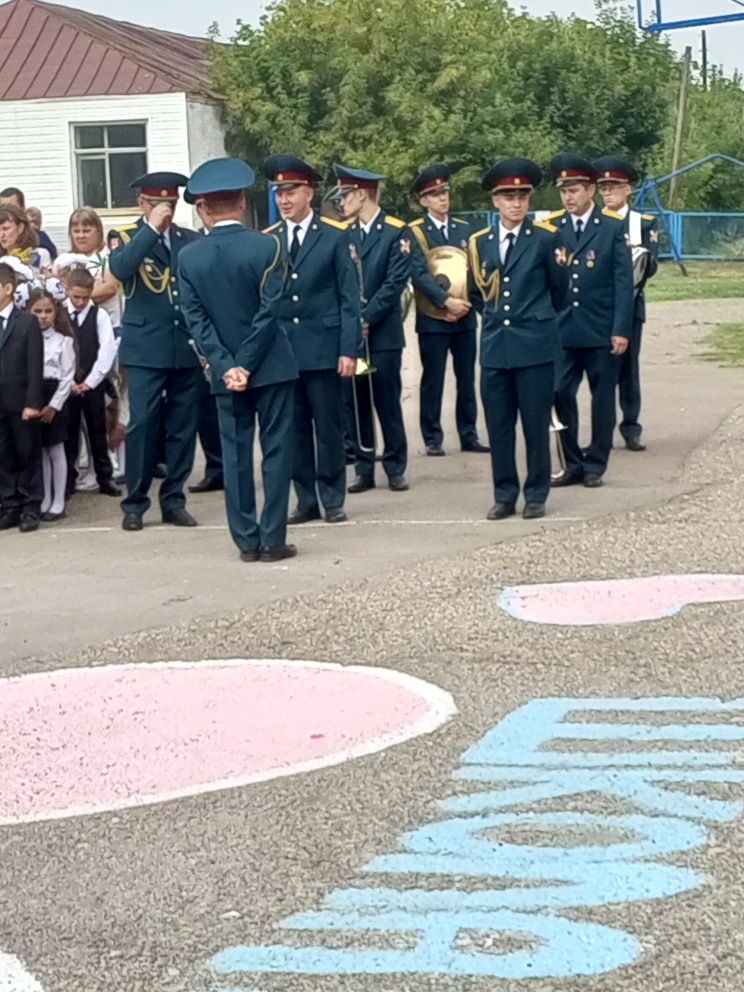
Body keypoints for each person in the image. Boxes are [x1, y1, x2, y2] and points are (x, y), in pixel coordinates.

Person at [179, 158, 299, 562]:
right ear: (243, 201)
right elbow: (270, 311)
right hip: (271, 365)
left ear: (204, 208)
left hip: (224, 372)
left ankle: (246, 539)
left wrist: (227, 364)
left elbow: (196, 320)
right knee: (276, 451)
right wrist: (246, 363)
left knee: (234, 455)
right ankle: (273, 538)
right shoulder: (269, 246)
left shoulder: (189, 258)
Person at [262, 154, 363, 525]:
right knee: (294, 429)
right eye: (279, 193)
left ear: (308, 193)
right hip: (284, 351)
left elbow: (349, 298)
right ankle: (305, 500)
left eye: (290, 192)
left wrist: (349, 349)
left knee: (329, 428)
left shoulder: (335, 236)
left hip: (323, 347)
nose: (284, 200)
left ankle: (332, 498)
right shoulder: (269, 240)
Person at [470, 159, 569, 521]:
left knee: (534, 425)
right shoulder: (480, 242)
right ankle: (505, 494)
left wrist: (534, 318)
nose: (516, 203)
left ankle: (536, 493)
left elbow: (559, 291)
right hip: (496, 347)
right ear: (495, 201)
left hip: (534, 346)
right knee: (499, 428)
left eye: (522, 196)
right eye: (508, 197)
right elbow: (476, 292)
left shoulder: (546, 238)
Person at [108, 172, 202, 531]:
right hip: (145, 348)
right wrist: (150, 229)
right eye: (157, 203)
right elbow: (120, 269)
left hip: (183, 345)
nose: (166, 210)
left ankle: (174, 499)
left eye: (171, 204)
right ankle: (135, 503)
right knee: (143, 425)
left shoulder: (188, 239)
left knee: (182, 428)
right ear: (142, 204)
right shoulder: (126, 237)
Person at [548, 154, 634, 489]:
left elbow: (623, 283)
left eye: (574, 190)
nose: (568, 197)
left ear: (591, 190)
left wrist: (621, 329)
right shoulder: (553, 227)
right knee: (559, 391)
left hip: (600, 329)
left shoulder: (611, 227)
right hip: (563, 329)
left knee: (602, 399)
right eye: (563, 191)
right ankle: (572, 462)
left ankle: (596, 463)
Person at [335, 163, 410, 493]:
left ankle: (395, 466)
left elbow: (394, 283)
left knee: (387, 400)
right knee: (357, 400)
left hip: (383, 335)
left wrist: (365, 317)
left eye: (346, 195)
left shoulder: (395, 232)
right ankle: (364, 467)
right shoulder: (344, 234)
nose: (341, 202)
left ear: (362, 194)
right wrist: (354, 323)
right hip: (354, 337)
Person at [407, 164, 489, 456]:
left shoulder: (464, 230)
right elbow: (419, 274)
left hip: (464, 316)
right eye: (435, 194)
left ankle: (469, 434)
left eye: (444, 192)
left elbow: (473, 271)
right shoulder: (416, 232)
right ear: (424, 200)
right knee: (434, 378)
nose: (442, 198)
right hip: (433, 318)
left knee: (466, 379)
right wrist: (446, 302)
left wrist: (466, 305)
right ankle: (432, 437)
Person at [595, 156, 660, 452]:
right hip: (598, 306)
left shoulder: (642, 223)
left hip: (631, 304)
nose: (608, 192)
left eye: (614, 186)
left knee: (628, 370)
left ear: (628, 189)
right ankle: (602, 430)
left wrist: (639, 258)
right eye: (604, 187)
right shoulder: (595, 222)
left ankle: (631, 427)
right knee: (602, 370)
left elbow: (651, 265)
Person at [63, 267, 120, 498]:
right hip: (66, 385)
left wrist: (90, 381)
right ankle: (68, 480)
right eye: (76, 296)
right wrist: (68, 382)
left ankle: (104, 477)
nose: (80, 302)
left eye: (85, 297)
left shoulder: (99, 315)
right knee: (68, 433)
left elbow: (106, 350)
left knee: (97, 431)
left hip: (92, 383)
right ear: (67, 289)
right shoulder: (60, 314)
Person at [0, 261, 44, 532]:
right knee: (3, 454)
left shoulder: (27, 322)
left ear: (7, 289)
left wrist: (33, 401)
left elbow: (35, 365)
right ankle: (10, 503)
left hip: (20, 400)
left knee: (27, 453)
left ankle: (31, 505)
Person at [27, 287, 76, 521]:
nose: (43, 316)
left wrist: (54, 405)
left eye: (48, 311)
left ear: (55, 312)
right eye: (38, 311)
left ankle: (59, 501)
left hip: (55, 395)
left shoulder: (63, 341)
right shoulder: (26, 340)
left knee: (56, 449)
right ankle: (45, 497)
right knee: (42, 450)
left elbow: (67, 376)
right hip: (34, 395)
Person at [68, 207, 123, 334]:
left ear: (98, 231)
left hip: (108, 328)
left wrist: (73, 295)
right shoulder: (66, 259)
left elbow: (110, 288)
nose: (81, 236)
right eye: (76, 231)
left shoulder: (108, 255)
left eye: (86, 231)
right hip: (76, 330)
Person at [0, 188, 57, 260]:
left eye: (11, 208)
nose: (5, 212)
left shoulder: (39, 238)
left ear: (22, 209)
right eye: (2, 208)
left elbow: (52, 261)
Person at [0, 203, 52, 276]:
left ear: (20, 228)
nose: (1, 235)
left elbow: (49, 280)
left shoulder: (40, 255)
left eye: (6, 228)